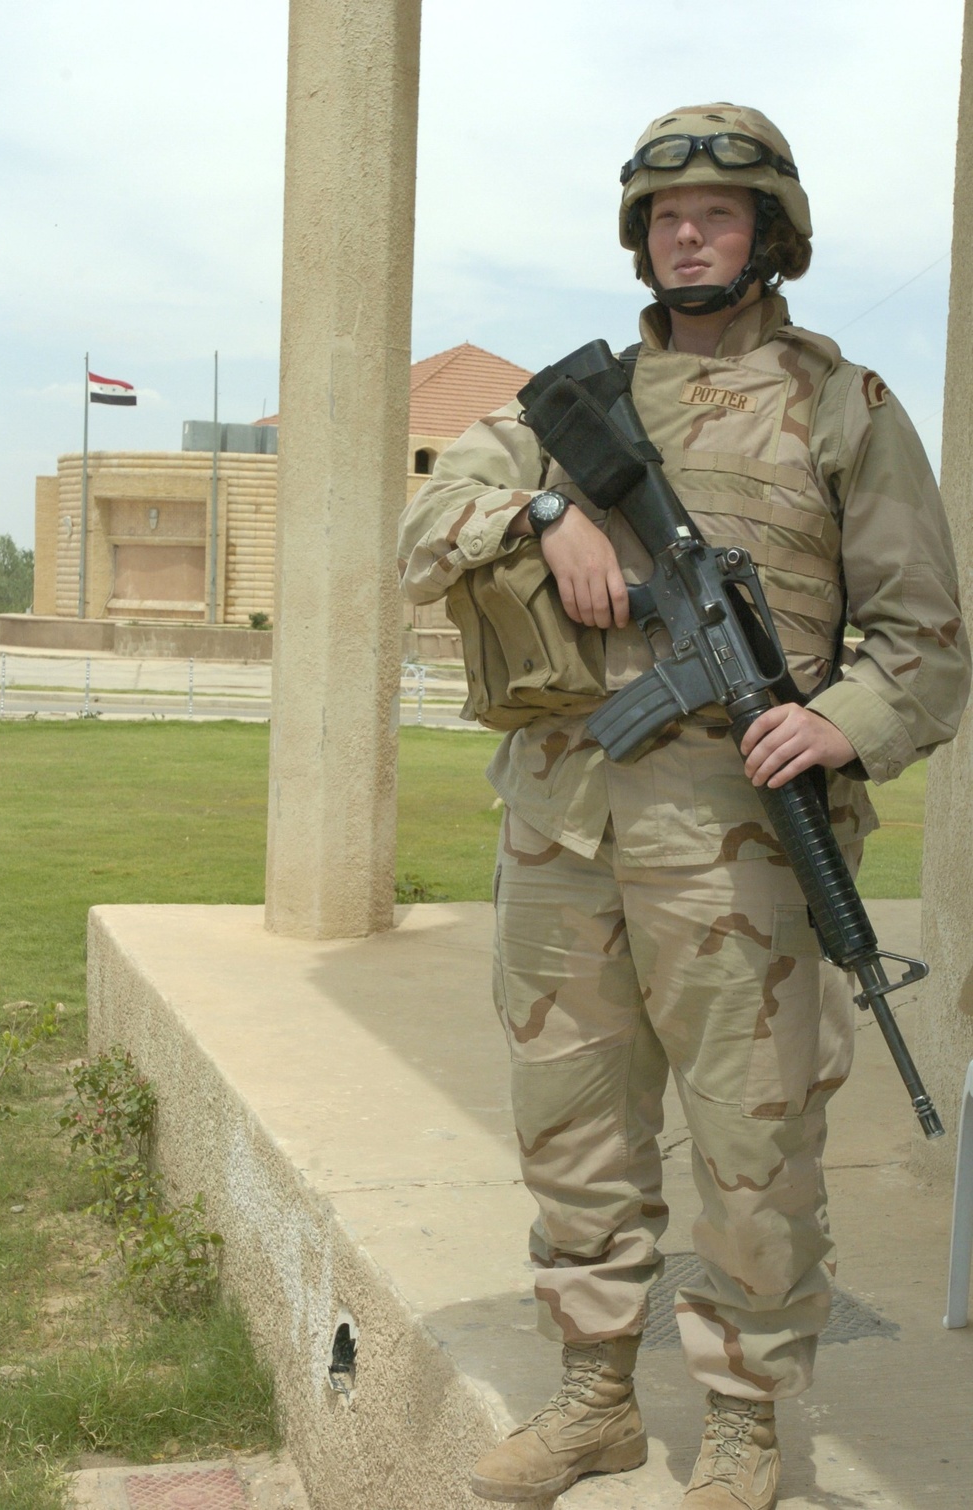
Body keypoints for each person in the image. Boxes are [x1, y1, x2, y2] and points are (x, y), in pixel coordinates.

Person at [397, 103, 971, 1509]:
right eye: (666, 217)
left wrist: (831, 720)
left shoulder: (849, 410)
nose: (689, 234)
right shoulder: (560, 412)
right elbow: (422, 531)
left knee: (755, 1148)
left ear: (772, 233)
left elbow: (929, 642)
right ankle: (592, 1399)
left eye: (718, 213)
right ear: (638, 240)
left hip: (746, 859)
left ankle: (742, 1424)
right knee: (575, 1127)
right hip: (563, 832)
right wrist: (547, 515)